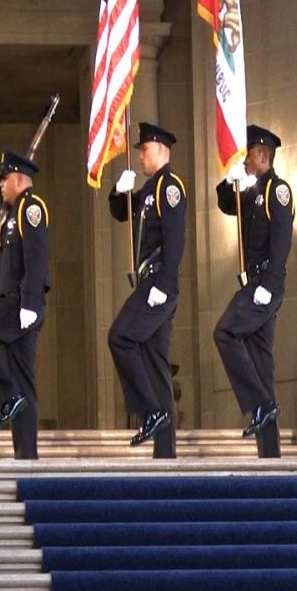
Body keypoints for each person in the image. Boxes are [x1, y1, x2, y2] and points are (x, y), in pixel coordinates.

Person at [107, 122, 187, 457]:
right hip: (150, 282)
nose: (139, 155)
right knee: (155, 364)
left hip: (158, 283)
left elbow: (175, 239)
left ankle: (150, 410)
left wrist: (165, 285)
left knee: (121, 337)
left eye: (144, 149)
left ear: (160, 150)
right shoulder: (150, 190)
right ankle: (165, 454)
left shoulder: (170, 186)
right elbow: (119, 213)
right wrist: (118, 191)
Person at [213, 124, 293, 458]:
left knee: (225, 333)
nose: (244, 160)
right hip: (255, 284)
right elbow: (225, 204)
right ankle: (270, 453)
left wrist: (271, 285)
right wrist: (228, 180)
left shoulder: (277, 190)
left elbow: (282, 239)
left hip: (264, 284)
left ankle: (259, 405)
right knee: (261, 364)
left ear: (262, 154)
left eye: (247, 155)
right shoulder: (251, 189)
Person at [0, 150, 49, 460]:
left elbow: (36, 256)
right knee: (23, 378)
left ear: (18, 178)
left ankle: (6, 398)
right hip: (15, 299)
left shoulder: (31, 208)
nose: (1, 184)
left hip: (21, 303)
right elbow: (11, 262)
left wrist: (29, 301)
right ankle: (26, 456)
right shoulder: (11, 214)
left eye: (4, 178)